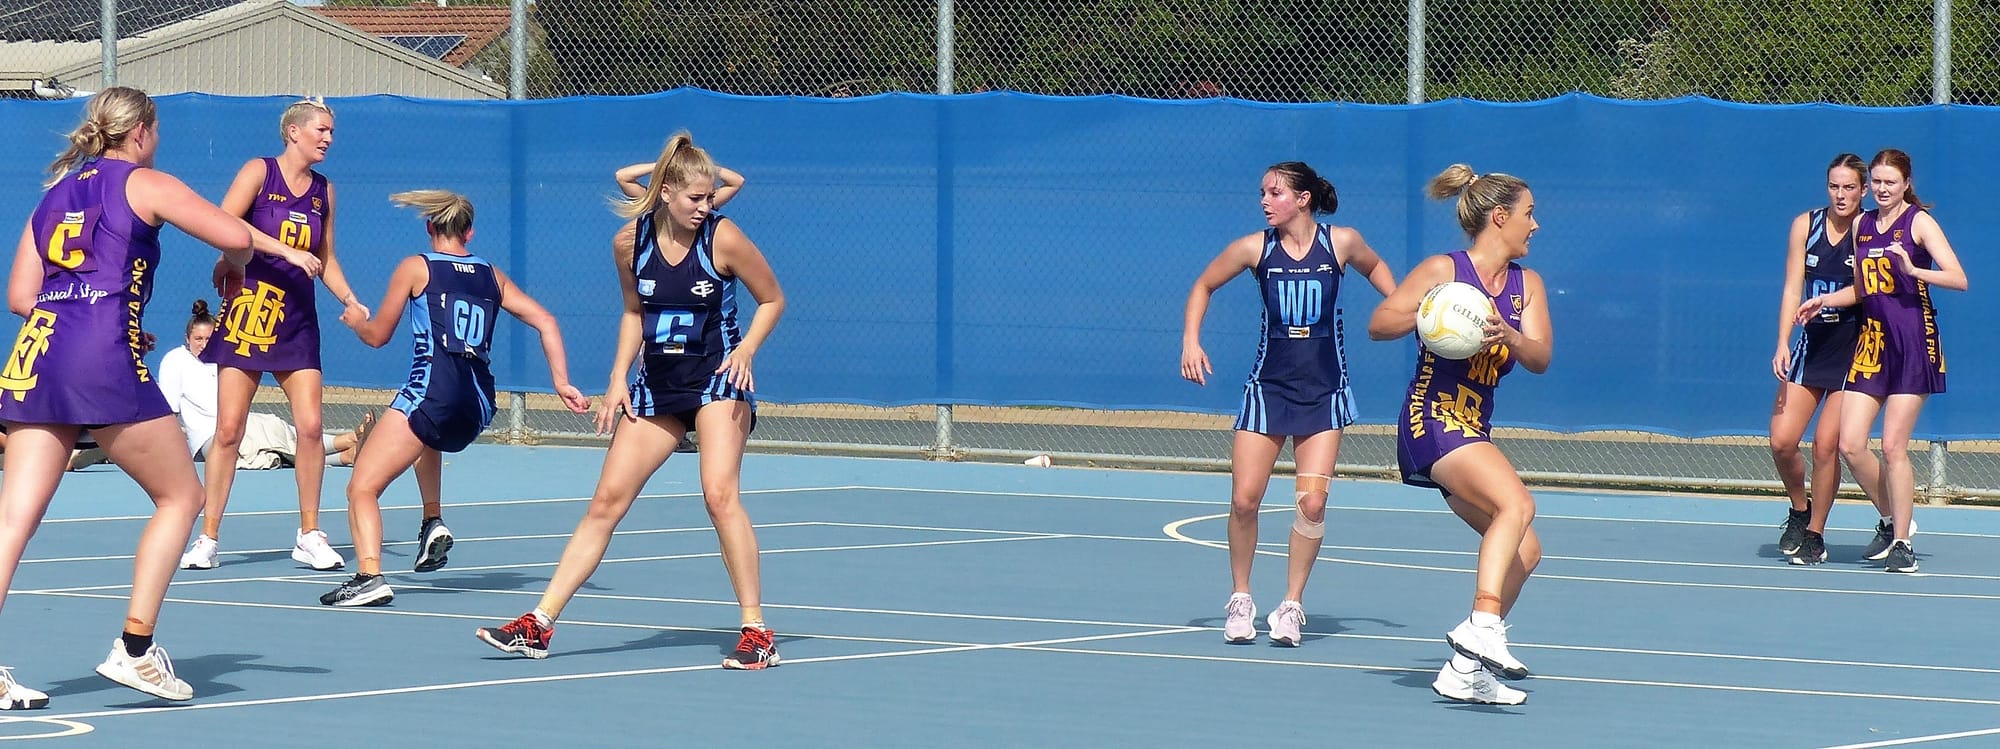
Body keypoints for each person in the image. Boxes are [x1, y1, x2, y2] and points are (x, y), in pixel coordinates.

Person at [0, 86, 314, 707]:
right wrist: (235, 263)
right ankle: (136, 650)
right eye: (157, 130)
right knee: (183, 494)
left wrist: (91, 320)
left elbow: (19, 296)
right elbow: (235, 232)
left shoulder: (52, 197)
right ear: (140, 131)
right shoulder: (143, 182)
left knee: (14, 519)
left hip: (37, 357)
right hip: (100, 361)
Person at [475, 133, 787, 669]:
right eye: (695, 198)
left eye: (709, 197)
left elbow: (773, 298)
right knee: (605, 503)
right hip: (658, 386)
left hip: (717, 381)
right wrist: (618, 378)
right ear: (665, 192)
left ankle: (757, 631)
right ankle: (539, 624)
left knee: (718, 494)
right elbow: (632, 313)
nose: (705, 207)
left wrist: (748, 350)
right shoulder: (629, 242)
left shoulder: (724, 238)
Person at [318, 190, 589, 606]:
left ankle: (369, 575)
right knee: (428, 434)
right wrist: (562, 382)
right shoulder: (491, 274)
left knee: (361, 488)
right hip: (479, 401)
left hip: (434, 391)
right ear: (469, 232)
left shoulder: (416, 267)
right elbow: (546, 321)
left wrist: (358, 321)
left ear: (431, 227)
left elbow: (378, 337)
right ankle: (432, 520)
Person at [1180, 161, 1395, 647]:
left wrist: (1402, 306)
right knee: (1243, 499)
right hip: (1267, 389)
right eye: (1262, 192)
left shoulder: (1341, 242)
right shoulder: (1255, 248)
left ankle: (1292, 605)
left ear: (1303, 198)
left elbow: (1376, 267)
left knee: (1313, 503)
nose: (1264, 200)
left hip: (1324, 392)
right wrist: (1191, 341)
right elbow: (1203, 285)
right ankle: (1240, 597)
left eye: (1274, 192)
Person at [1368, 164, 1552, 706]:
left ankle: (1463, 672)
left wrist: (1509, 334)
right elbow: (1380, 323)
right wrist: (1433, 310)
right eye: (1529, 213)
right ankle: (1484, 624)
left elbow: (1540, 357)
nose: (1535, 225)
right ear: (1500, 217)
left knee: (1527, 548)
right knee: (1518, 503)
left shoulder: (1527, 286)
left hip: (1474, 426)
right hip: (1433, 419)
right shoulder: (1443, 270)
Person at [183, 98, 370, 573]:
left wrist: (350, 299)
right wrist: (282, 251)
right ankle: (208, 537)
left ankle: (309, 533)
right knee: (228, 431)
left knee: (309, 427)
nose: (328, 138)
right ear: (293, 132)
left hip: (297, 319)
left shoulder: (324, 191)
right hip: (249, 312)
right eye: (321, 130)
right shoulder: (259, 173)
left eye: (332, 132)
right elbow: (225, 225)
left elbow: (324, 258)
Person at [1796, 148, 1966, 573]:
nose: (1882, 189)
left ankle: (1904, 544)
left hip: (1913, 341)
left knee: (1893, 446)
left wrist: (1915, 270)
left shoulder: (1919, 222)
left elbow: (1958, 278)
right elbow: (1862, 288)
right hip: (1873, 344)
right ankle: (1892, 520)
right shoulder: (1863, 225)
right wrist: (1824, 301)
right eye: (1876, 182)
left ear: (1906, 183)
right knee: (1850, 444)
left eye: (1890, 181)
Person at [1769, 154, 1884, 565]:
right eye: (1835, 186)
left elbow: (1867, 289)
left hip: (1853, 350)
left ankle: (1816, 532)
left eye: (1850, 187)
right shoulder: (1806, 225)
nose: (1841, 195)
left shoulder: (1869, 230)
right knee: (1782, 441)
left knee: (1826, 445)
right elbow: (1790, 288)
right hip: (1812, 347)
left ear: (1863, 191)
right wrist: (1783, 341)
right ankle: (1799, 510)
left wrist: (1828, 300)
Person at [156, 301, 368, 498]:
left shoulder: (223, 357)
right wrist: (170, 454)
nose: (203, 345)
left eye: (209, 339)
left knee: (273, 426)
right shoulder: (174, 361)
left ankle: (349, 442)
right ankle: (345, 451)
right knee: (259, 452)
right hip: (207, 439)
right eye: (198, 339)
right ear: (187, 339)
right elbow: (169, 411)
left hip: (243, 423)